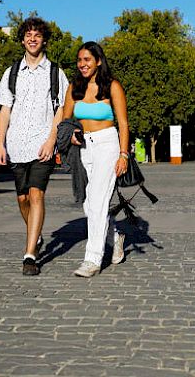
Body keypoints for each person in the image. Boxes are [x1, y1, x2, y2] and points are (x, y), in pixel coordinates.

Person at [41, 41, 128, 278]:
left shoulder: (112, 86)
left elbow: (123, 124)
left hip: (107, 144)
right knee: (89, 205)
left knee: (99, 201)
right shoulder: (73, 88)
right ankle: (115, 237)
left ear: (98, 61)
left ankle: (92, 260)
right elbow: (65, 121)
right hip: (83, 149)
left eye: (87, 60)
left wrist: (123, 154)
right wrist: (71, 135)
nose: (82, 64)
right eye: (80, 60)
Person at [0, 17, 70, 276]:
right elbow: (5, 109)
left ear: (44, 39)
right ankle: (35, 235)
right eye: (28, 35)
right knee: (23, 198)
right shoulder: (12, 72)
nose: (33, 39)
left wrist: (52, 140)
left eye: (37, 35)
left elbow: (62, 109)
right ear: (23, 39)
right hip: (16, 145)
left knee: (36, 194)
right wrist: (0, 144)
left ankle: (30, 255)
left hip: (42, 146)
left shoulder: (55, 73)